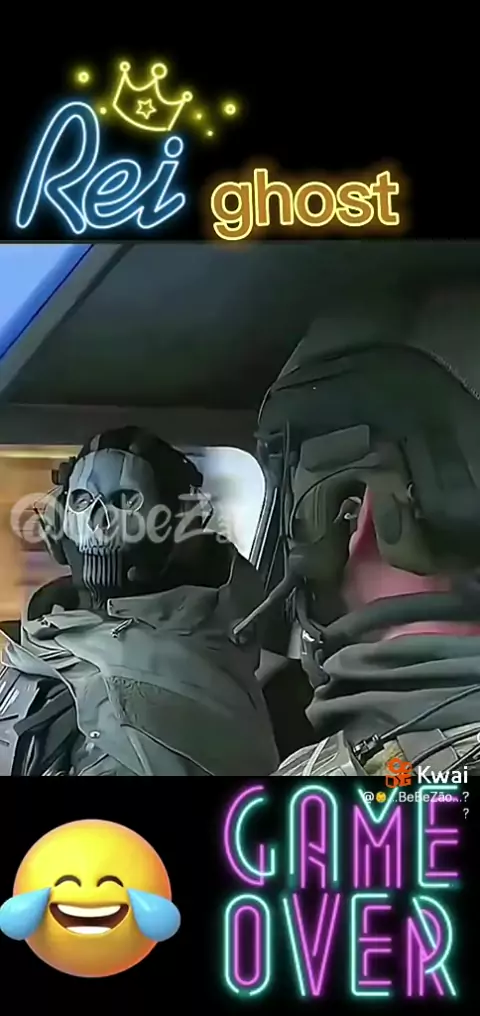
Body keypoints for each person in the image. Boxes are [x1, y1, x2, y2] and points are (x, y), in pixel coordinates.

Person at [0, 427, 279, 776]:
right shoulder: (47, 637)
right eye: (82, 501)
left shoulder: (187, 673)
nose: (98, 520)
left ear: (178, 526)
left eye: (124, 499)